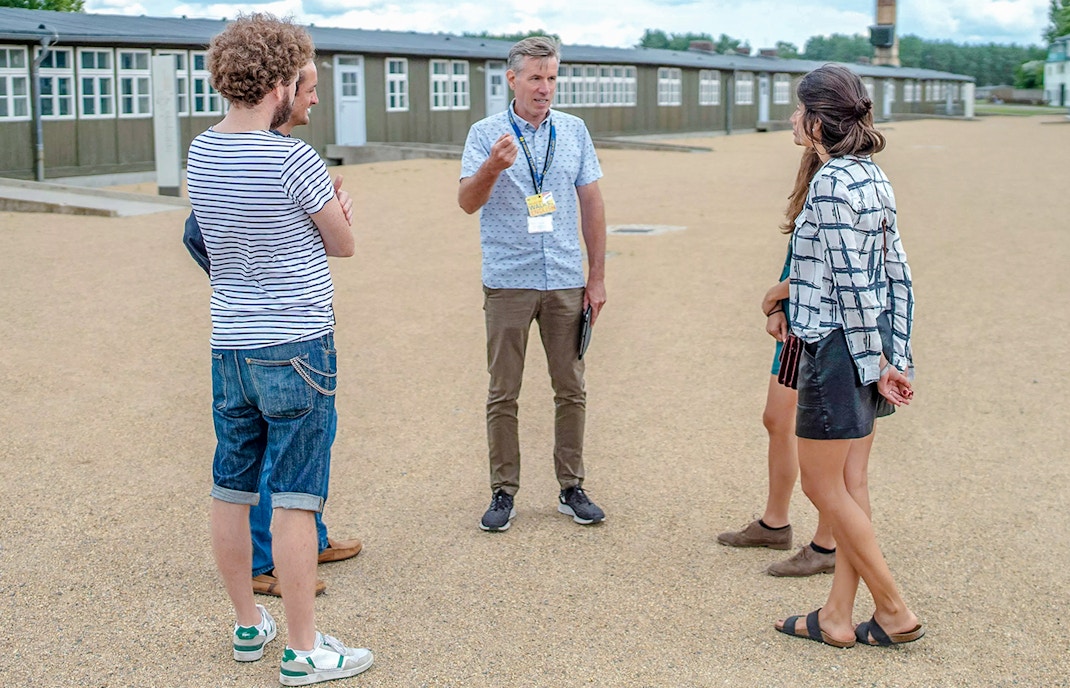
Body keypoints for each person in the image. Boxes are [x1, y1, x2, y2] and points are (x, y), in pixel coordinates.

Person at [186, 14, 372, 684]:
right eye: (304, 81)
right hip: (295, 342)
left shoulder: (200, 151)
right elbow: (341, 244)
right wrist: (338, 209)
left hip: (230, 346)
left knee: (230, 487)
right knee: (297, 496)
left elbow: (212, 236)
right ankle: (302, 648)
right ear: (279, 82)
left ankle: (246, 626)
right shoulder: (295, 158)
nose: (309, 95)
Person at [771, 64, 923, 649]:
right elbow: (896, 275)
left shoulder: (832, 184)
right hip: (867, 341)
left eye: (796, 109)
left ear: (815, 121)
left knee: (823, 486)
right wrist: (896, 356)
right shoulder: (872, 177)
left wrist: (872, 364)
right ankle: (837, 615)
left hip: (839, 350)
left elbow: (856, 284)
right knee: (851, 481)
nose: (790, 118)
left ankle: (892, 608)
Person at [458, 36, 607, 532]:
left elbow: (591, 203)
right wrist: (492, 167)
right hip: (509, 281)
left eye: (551, 77)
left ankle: (571, 487)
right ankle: (503, 492)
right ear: (513, 79)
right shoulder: (485, 134)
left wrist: (597, 277)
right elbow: (466, 201)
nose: (545, 88)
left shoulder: (575, 131)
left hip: (565, 277)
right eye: (536, 78)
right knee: (504, 391)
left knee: (571, 388)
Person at [716, 235, 837, 577]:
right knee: (776, 419)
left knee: (827, 438)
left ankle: (827, 543)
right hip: (797, 319)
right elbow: (801, 253)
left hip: (825, 322)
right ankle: (774, 524)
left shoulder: (835, 184)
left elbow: (830, 261)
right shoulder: (810, 186)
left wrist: (775, 293)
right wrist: (779, 306)